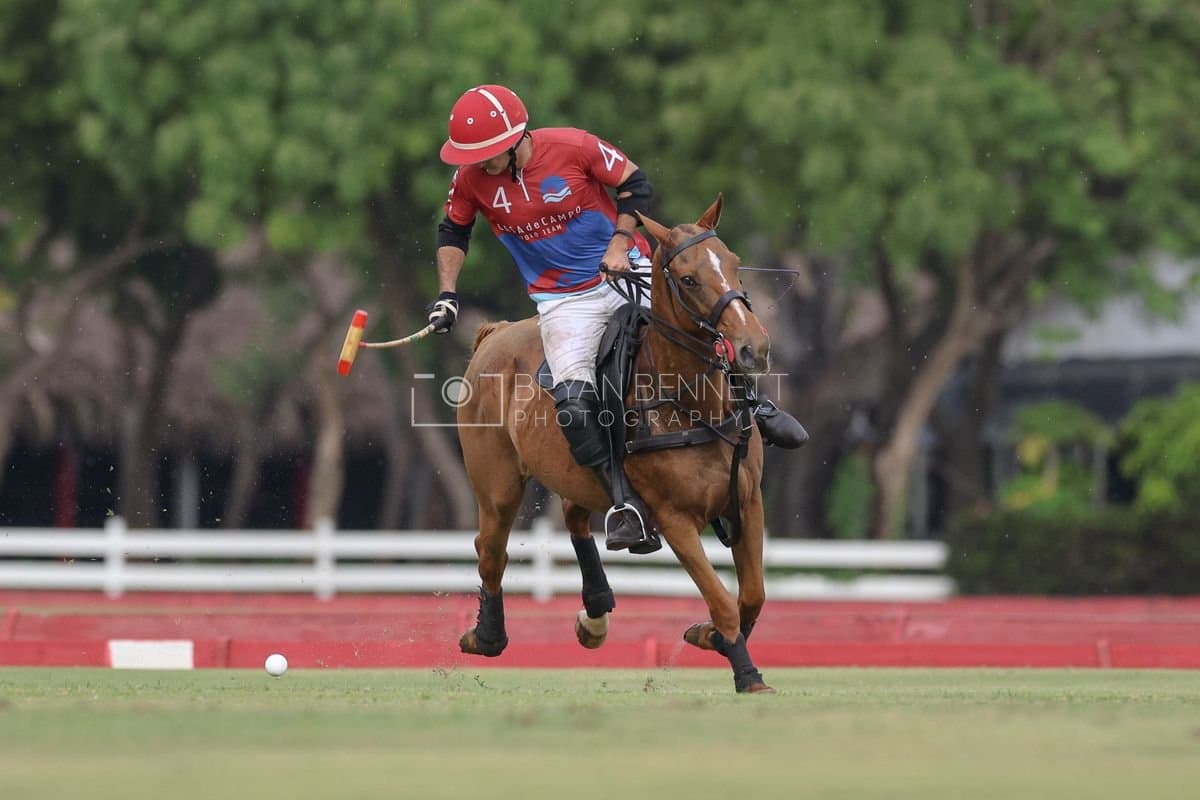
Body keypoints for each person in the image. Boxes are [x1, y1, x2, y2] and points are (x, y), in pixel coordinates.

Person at [428, 84, 807, 554]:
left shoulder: (573, 146)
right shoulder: (470, 180)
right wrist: (447, 294)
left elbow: (636, 184)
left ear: (516, 138)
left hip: (629, 268)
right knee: (572, 403)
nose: (480, 164)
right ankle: (624, 502)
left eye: (487, 154)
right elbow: (454, 229)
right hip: (562, 300)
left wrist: (619, 244)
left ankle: (758, 408)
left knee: (712, 325)